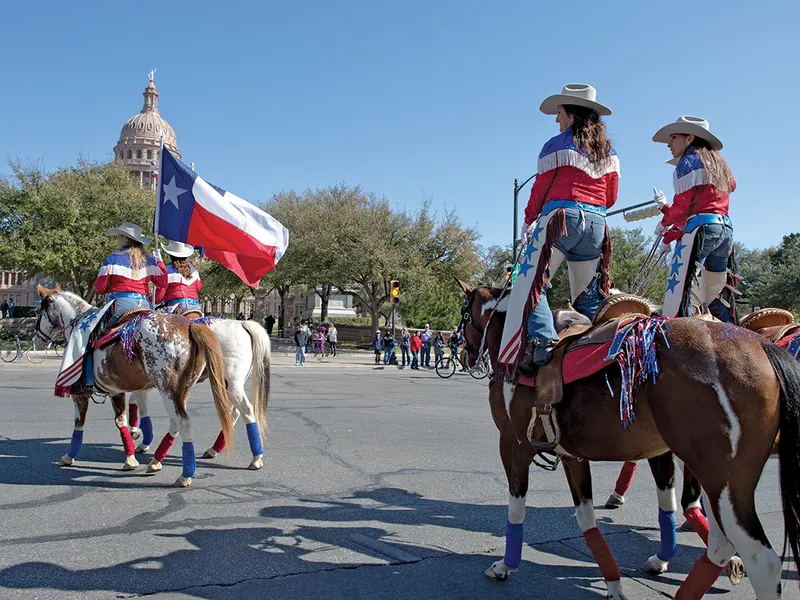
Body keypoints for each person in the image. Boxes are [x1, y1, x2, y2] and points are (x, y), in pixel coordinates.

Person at [499, 84, 618, 376]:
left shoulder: (555, 145)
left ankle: (544, 341)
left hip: (561, 218)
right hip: (597, 224)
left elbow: (540, 189)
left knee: (528, 282)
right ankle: (614, 340)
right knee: (588, 297)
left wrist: (529, 219)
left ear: (570, 113)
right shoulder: (608, 152)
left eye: (559, 113)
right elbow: (612, 197)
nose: (556, 119)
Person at [652, 116, 736, 322]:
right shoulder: (719, 164)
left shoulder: (687, 162)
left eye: (673, 138)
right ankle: (734, 331)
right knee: (713, 293)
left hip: (701, 229)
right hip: (725, 230)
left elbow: (682, 208)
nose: (669, 144)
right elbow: (702, 203)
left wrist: (664, 223)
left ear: (689, 138)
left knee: (680, 291)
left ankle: (681, 343)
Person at [94, 222, 167, 328]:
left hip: (120, 305)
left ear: (126, 239)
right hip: (144, 305)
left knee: (97, 330)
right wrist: (159, 261)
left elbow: (99, 288)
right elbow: (163, 282)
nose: (118, 238)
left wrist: (108, 289)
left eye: (120, 236)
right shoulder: (150, 261)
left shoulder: (113, 259)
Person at [154, 241, 202, 314]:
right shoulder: (193, 270)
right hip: (195, 306)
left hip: (176, 306)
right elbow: (199, 287)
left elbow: (159, 296)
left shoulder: (167, 270)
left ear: (170, 255)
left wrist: (151, 299)